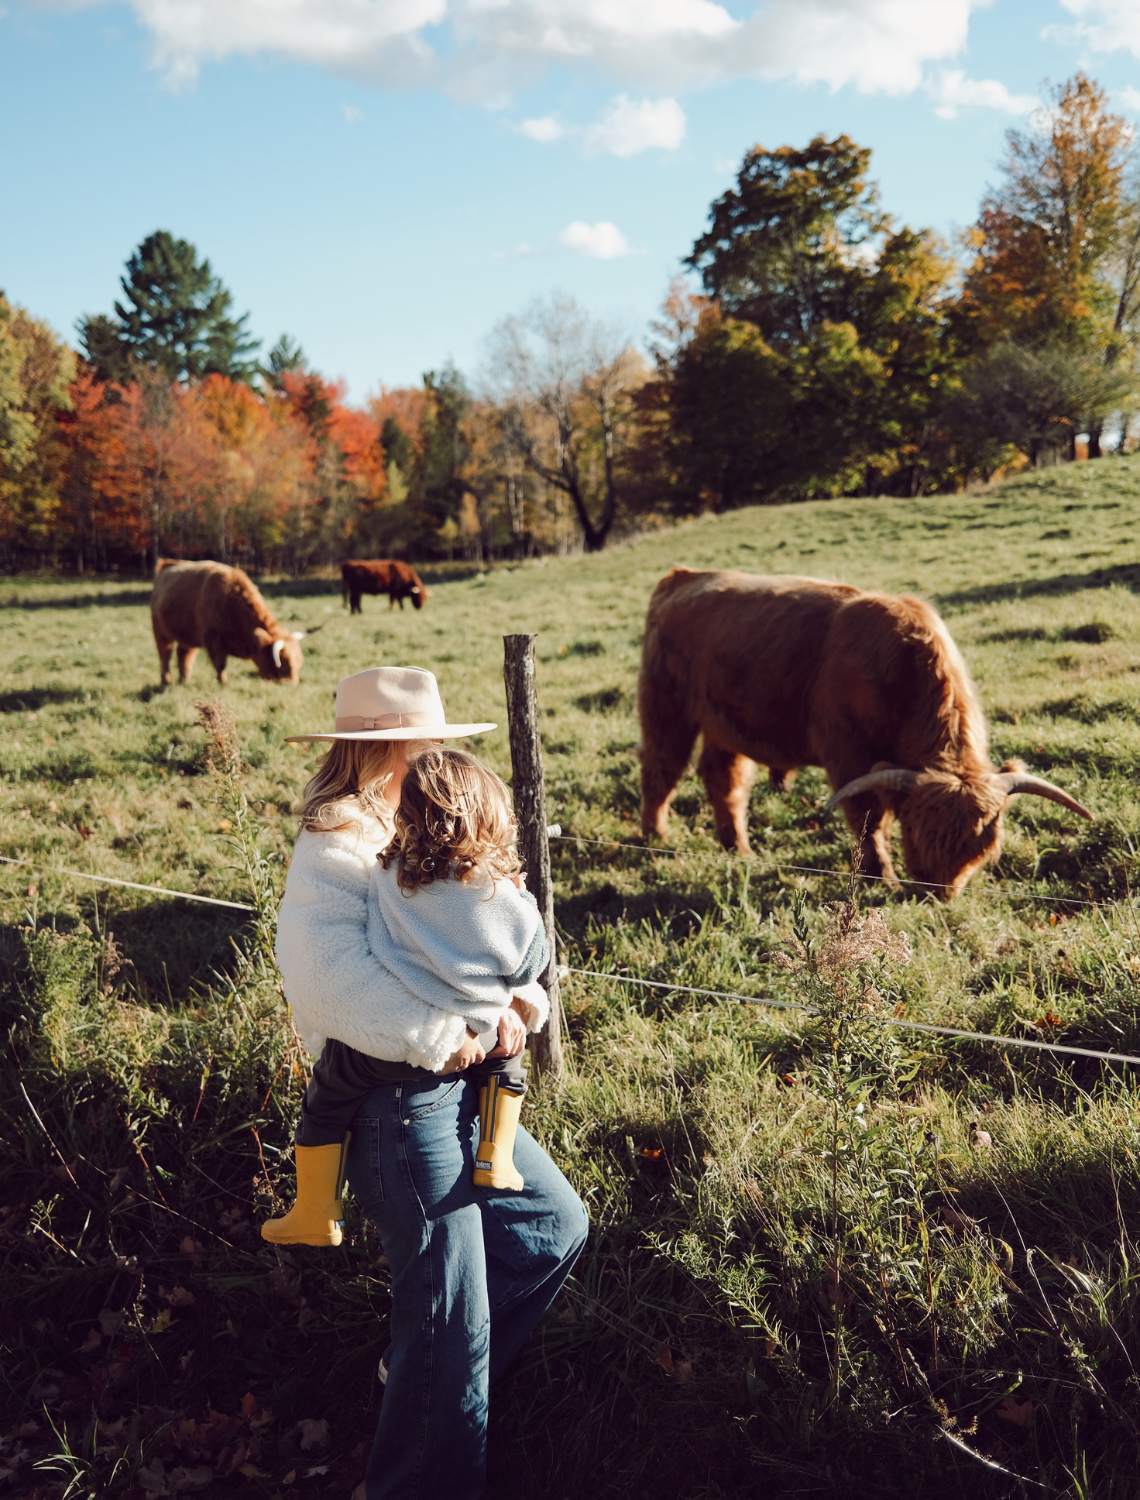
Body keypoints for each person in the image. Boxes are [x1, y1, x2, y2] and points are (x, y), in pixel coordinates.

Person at [272, 666, 588, 1500]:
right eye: (425, 739)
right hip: (396, 1104)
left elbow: (485, 942)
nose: (439, 752)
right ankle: (418, 1462)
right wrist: (451, 1036)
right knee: (449, 1317)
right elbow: (326, 982)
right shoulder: (336, 839)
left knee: (554, 1225)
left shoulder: (421, 820)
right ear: (383, 747)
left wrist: (522, 1001)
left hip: (461, 1087)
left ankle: (419, 1379)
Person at [263, 744, 549, 1247]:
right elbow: (526, 956)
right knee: (506, 1072)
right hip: (446, 1047)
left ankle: (315, 1208)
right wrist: (517, 895)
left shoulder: (393, 867)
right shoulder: (487, 889)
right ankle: (495, 1156)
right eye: (420, 742)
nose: (427, 750)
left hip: (430, 1038)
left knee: (329, 1089)